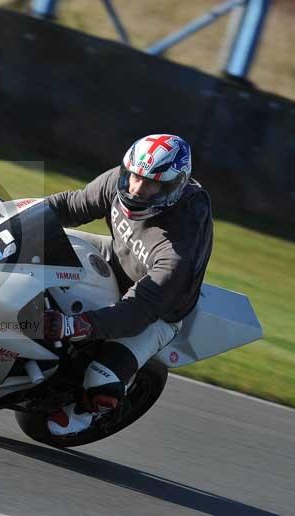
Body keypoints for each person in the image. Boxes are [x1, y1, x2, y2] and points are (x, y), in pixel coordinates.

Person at [42, 133, 213, 435]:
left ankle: (91, 409)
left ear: (173, 188)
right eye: (134, 176)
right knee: (33, 240)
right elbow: (72, 205)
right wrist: (16, 213)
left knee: (101, 381)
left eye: (150, 184)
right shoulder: (120, 181)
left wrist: (75, 326)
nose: (136, 189)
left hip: (156, 309)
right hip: (116, 254)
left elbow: (138, 310)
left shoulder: (177, 250)